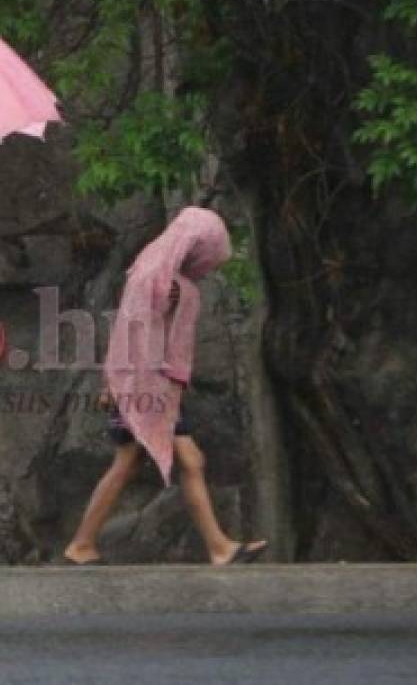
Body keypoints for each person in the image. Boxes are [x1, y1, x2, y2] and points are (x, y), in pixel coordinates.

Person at [63, 206, 268, 567]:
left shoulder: (158, 275)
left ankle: (219, 547)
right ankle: (81, 544)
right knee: (135, 462)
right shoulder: (158, 280)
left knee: (182, 461)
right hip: (143, 389)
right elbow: (133, 334)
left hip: (154, 389)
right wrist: (117, 384)